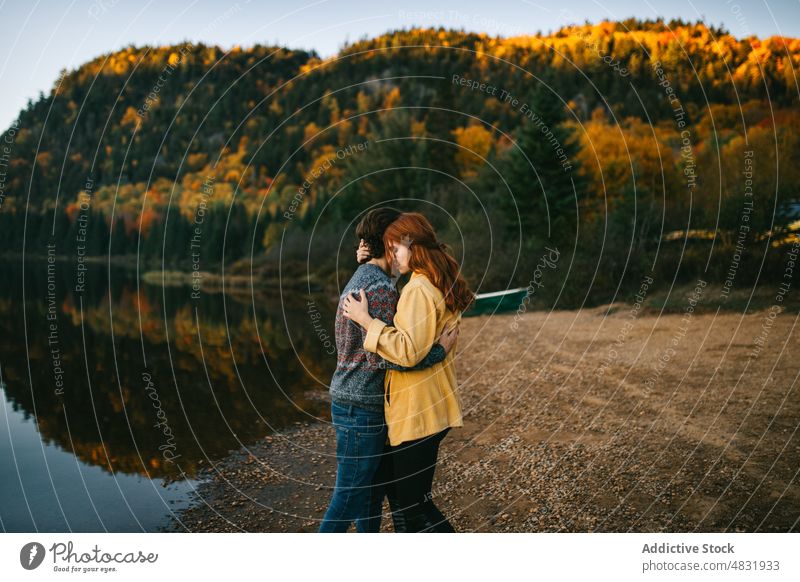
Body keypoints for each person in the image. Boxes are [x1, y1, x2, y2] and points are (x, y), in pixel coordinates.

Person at [319, 207, 459, 533]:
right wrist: (438, 351)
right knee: (353, 493)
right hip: (363, 402)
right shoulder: (380, 288)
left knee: (370, 492)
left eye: (402, 243)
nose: (398, 250)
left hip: (356, 398)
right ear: (387, 243)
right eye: (393, 243)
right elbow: (398, 356)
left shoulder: (371, 279)